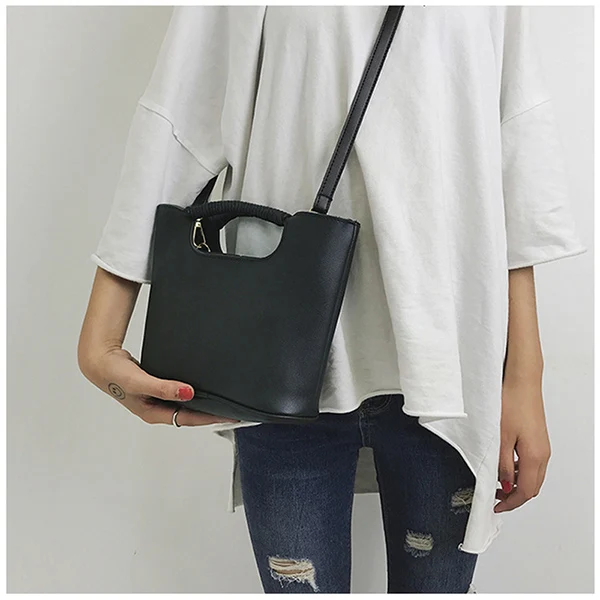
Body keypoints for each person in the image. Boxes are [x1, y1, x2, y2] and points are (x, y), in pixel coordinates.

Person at [77, 6, 587, 594]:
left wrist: (525, 377)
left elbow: (511, 153)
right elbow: (179, 119)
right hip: (279, 362)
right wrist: (101, 338)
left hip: (449, 368)